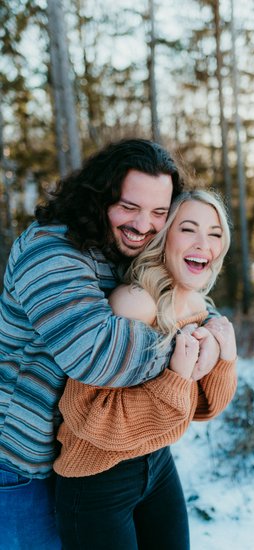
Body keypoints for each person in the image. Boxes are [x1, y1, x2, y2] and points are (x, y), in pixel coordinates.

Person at [0, 139, 221, 549]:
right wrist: (187, 346)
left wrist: (213, 326)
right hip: (22, 464)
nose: (143, 224)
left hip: (105, 456)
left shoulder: (126, 246)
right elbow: (98, 355)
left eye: (159, 212)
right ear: (97, 196)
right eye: (129, 206)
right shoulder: (50, 251)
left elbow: (178, 288)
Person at [54, 190, 238, 550]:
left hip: (157, 464)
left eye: (215, 233)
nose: (205, 244)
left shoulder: (195, 302)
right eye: (189, 229)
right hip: (96, 481)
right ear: (165, 234)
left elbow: (205, 408)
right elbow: (88, 418)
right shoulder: (135, 302)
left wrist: (224, 357)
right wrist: (175, 379)